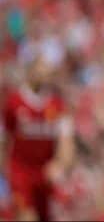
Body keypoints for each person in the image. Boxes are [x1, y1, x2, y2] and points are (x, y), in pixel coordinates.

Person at [1, 58, 75, 221]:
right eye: (41, 71)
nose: (44, 76)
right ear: (30, 72)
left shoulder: (58, 105)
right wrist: (5, 169)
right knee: (27, 217)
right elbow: (4, 139)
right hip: (20, 171)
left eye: (48, 73)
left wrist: (60, 163)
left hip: (45, 173)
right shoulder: (14, 103)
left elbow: (66, 142)